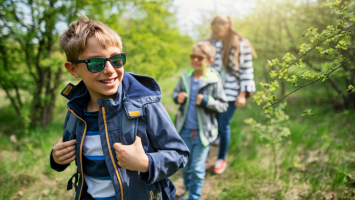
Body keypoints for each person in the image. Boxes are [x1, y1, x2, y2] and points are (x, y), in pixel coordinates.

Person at [49, 15, 190, 200]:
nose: (109, 69)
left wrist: (146, 163)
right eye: (96, 63)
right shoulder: (75, 110)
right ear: (74, 69)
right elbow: (71, 154)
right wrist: (57, 159)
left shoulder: (145, 104)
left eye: (116, 59)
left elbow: (179, 154)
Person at [173, 41, 228, 200]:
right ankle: (189, 189)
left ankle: (194, 196)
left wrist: (206, 101)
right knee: (185, 167)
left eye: (200, 57)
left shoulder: (213, 79)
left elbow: (223, 105)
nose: (195, 60)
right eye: (193, 56)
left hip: (203, 133)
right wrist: (178, 97)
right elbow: (175, 94)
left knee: (196, 169)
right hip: (183, 130)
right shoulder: (185, 77)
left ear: (210, 61)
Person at [208, 15, 257, 174]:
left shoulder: (241, 43)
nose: (215, 33)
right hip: (212, 91)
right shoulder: (211, 42)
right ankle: (207, 154)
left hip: (230, 92)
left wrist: (242, 94)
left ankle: (221, 158)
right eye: (213, 30)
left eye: (218, 30)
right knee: (211, 123)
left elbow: (246, 70)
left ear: (227, 27)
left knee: (223, 125)